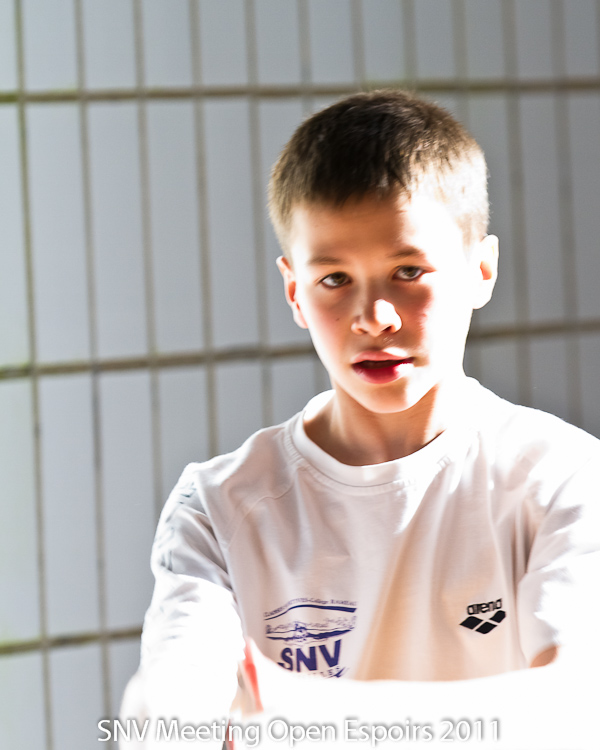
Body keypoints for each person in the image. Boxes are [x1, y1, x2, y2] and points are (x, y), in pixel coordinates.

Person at [120, 90, 599, 748]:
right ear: (295, 291)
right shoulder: (218, 506)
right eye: (335, 280)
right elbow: (167, 718)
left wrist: (292, 713)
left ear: (481, 270)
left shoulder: (561, 478)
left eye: (408, 270)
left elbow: (577, 708)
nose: (374, 318)